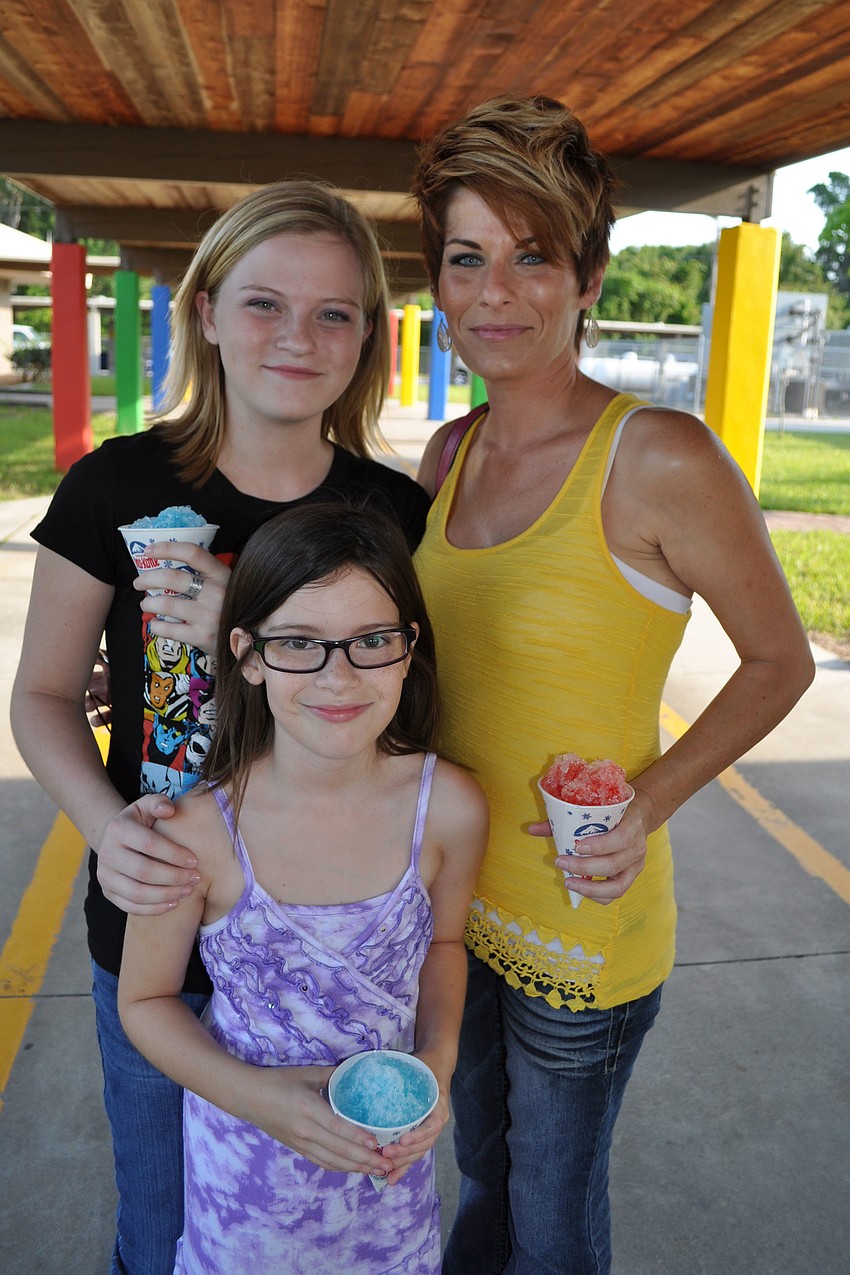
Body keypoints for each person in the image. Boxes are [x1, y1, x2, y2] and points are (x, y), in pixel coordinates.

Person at [409, 94, 815, 1275]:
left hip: (581, 925)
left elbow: (780, 661)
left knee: (550, 1216)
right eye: (466, 257)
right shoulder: (448, 453)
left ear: (589, 277)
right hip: (449, 905)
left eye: (532, 256)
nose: (495, 293)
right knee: (477, 1167)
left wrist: (644, 804)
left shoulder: (658, 455)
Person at [10, 180, 431, 1274]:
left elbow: (407, 707)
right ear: (203, 310)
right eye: (263, 304)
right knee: (164, 1227)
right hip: (163, 933)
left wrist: (235, 611)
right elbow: (45, 696)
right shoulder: (118, 485)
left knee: (328, 1227)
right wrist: (111, 831)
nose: (298, 336)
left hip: (327, 939)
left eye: (335, 312)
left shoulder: (392, 516)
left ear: (368, 338)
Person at [117, 502, 488, 1274]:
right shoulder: (194, 830)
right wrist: (262, 1101)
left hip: (391, 1203)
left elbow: (444, 945)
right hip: (242, 1204)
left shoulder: (447, 807)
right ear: (247, 654)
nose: (340, 676)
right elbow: (145, 1002)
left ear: (409, 647)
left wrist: (438, 1062)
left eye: (372, 641)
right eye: (300, 644)